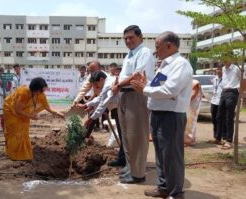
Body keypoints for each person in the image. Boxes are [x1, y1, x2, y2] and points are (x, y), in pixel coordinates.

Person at [131, 31, 193, 199]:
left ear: (168, 45)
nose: (155, 50)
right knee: (161, 154)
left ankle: (176, 193)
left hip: (171, 116)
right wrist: (146, 84)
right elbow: (157, 87)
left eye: (157, 47)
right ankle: (164, 187)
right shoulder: (165, 65)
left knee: (172, 156)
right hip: (159, 114)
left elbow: (170, 90)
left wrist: (144, 89)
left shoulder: (180, 64)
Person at [111, 25, 155, 184]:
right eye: (126, 38)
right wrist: (118, 84)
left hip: (136, 96)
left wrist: (118, 85)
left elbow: (137, 75)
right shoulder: (129, 55)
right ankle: (131, 168)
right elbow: (126, 74)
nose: (128, 41)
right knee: (127, 137)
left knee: (137, 137)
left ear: (140, 37)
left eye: (131, 37)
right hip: (125, 95)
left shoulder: (144, 52)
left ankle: (138, 174)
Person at [3, 77, 64, 160]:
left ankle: (23, 155)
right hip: (11, 111)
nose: (43, 92)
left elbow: (47, 107)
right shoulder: (24, 93)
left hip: (24, 112)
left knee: (24, 131)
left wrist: (57, 113)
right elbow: (17, 110)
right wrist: (31, 116)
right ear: (36, 89)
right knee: (16, 132)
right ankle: (13, 155)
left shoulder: (40, 94)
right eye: (42, 90)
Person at [77, 71, 126, 167]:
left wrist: (91, 118)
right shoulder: (107, 83)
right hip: (118, 108)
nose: (96, 87)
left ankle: (124, 160)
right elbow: (100, 98)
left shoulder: (108, 85)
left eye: (96, 84)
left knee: (123, 136)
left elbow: (102, 104)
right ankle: (123, 158)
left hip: (121, 109)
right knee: (122, 135)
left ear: (101, 79)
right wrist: (86, 104)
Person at [216, 59, 241, 150]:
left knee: (229, 117)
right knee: (219, 116)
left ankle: (229, 141)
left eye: (226, 58)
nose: (224, 60)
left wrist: (240, 92)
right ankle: (220, 137)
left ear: (230, 58)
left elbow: (243, 79)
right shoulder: (223, 68)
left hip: (232, 92)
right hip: (224, 92)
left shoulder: (237, 68)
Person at [184, 79, 203, 146]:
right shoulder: (187, 82)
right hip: (188, 105)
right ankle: (187, 139)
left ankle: (190, 140)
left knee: (191, 123)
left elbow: (195, 93)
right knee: (187, 122)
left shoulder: (195, 82)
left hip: (193, 105)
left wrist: (187, 100)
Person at [209, 65, 223, 144]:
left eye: (220, 69)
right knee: (214, 120)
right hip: (213, 101)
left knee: (219, 119)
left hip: (221, 102)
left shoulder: (225, 79)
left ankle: (220, 137)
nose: (218, 70)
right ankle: (216, 137)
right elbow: (214, 88)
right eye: (217, 69)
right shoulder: (215, 79)